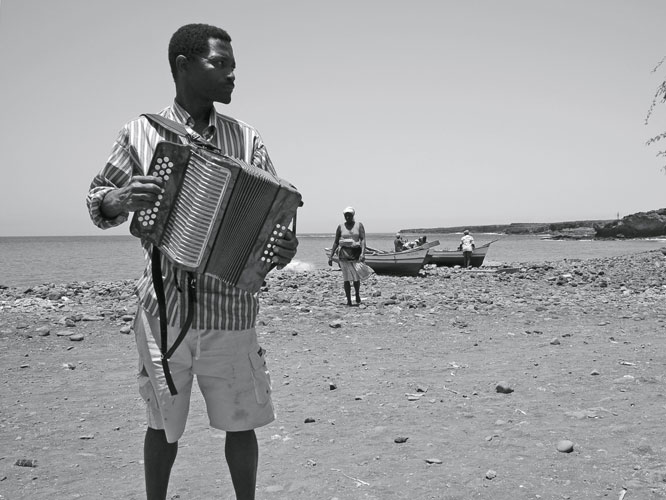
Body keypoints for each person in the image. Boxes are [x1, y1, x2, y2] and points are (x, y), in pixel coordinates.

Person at [86, 24, 298, 500]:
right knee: (161, 425)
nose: (231, 74)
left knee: (241, 423)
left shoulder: (246, 139)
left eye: (233, 66)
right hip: (165, 311)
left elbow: (276, 214)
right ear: (183, 66)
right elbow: (96, 200)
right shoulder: (140, 133)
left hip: (232, 311)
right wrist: (119, 199)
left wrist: (282, 249)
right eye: (219, 64)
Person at [328, 207, 372, 305]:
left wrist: (363, 253)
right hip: (344, 255)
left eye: (350, 215)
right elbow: (336, 242)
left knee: (356, 277)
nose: (347, 217)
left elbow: (363, 239)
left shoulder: (359, 225)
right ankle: (348, 300)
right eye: (346, 215)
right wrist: (331, 256)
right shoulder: (340, 227)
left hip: (355, 254)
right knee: (346, 278)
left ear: (353, 216)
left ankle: (357, 294)